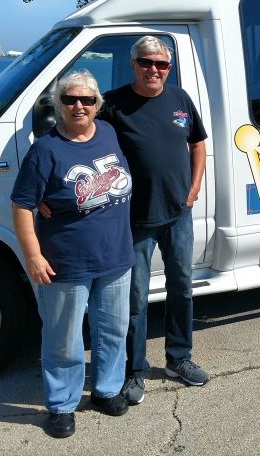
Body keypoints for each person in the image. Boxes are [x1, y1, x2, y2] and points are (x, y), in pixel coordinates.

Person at [11, 70, 134, 438]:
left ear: (98, 104)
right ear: (59, 104)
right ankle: (62, 405)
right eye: (70, 99)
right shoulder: (46, 149)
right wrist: (33, 256)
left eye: (87, 100)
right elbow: (21, 206)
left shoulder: (109, 133)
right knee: (63, 338)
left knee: (112, 329)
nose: (79, 106)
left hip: (115, 255)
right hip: (65, 261)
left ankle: (106, 389)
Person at [99, 36, 209, 401]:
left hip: (178, 213)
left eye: (162, 65)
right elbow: (81, 141)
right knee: (135, 299)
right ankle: (136, 370)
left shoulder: (180, 99)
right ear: (133, 64)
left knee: (181, 288)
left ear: (169, 69)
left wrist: (193, 188)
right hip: (134, 219)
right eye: (147, 62)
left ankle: (179, 358)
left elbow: (197, 143)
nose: (154, 70)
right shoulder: (112, 104)